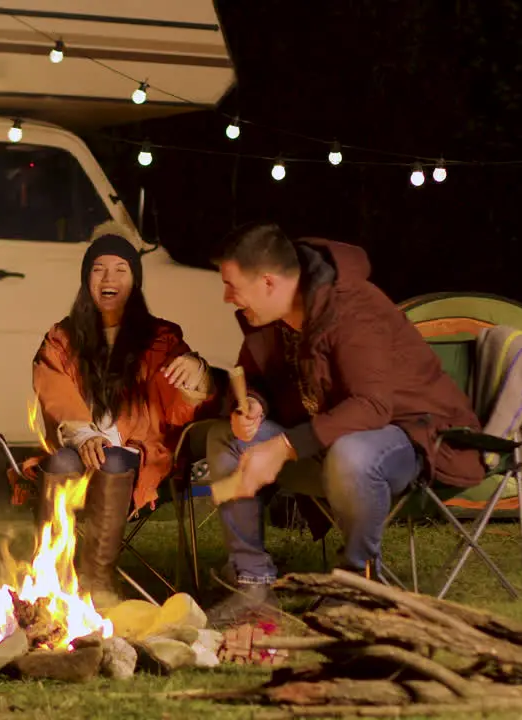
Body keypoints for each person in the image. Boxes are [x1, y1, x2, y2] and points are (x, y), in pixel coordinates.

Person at [201, 223, 485, 627]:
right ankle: (252, 584)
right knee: (226, 440)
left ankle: (356, 585)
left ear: (267, 282)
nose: (227, 296)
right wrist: (253, 408)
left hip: (409, 436)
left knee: (352, 454)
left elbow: (372, 406)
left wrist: (282, 447)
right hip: (325, 441)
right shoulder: (272, 318)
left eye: (231, 285)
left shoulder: (353, 308)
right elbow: (259, 380)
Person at [32, 225, 215, 607]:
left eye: (120, 269)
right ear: (86, 279)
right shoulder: (62, 338)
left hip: (137, 456)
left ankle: (96, 585)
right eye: (99, 268)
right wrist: (83, 436)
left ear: (135, 280)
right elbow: (54, 390)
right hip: (79, 447)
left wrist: (198, 374)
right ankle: (53, 585)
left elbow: (181, 407)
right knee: (61, 460)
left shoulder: (161, 339)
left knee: (113, 459)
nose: (109, 278)